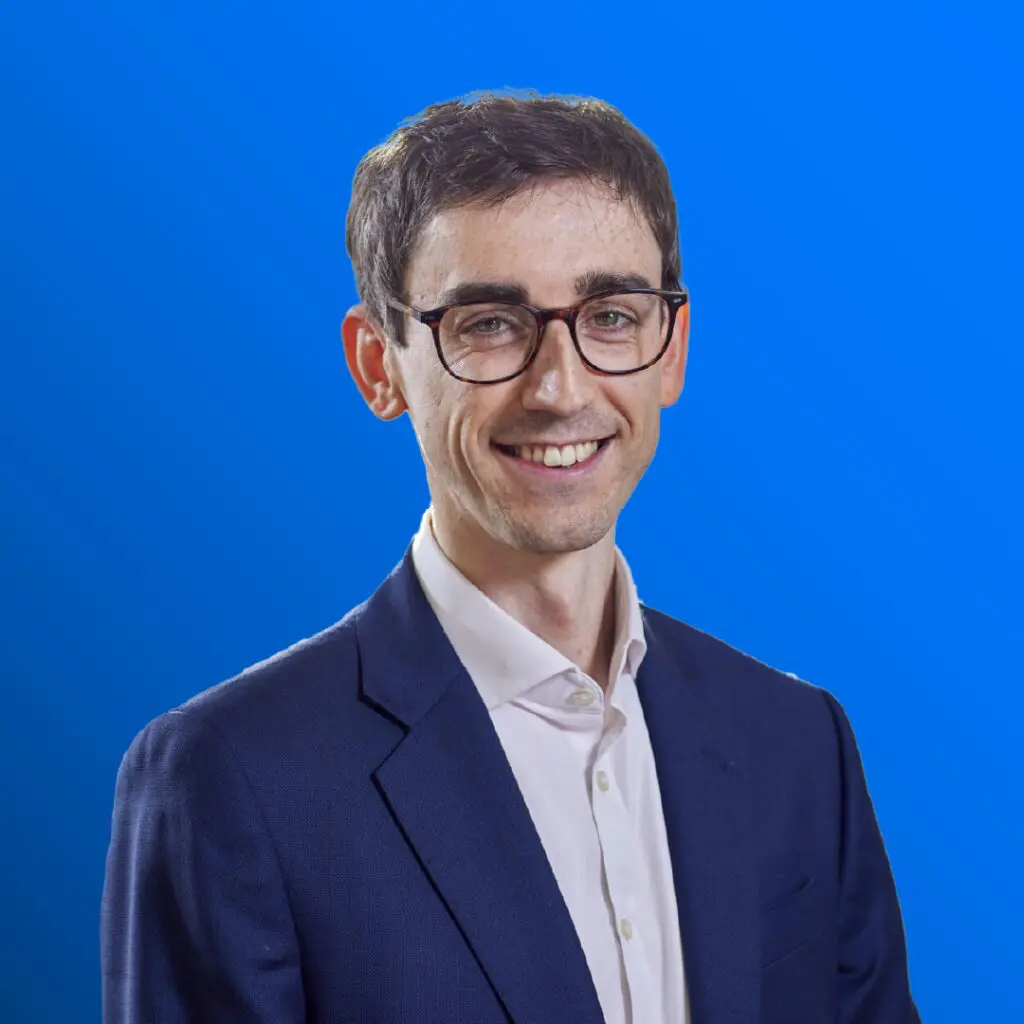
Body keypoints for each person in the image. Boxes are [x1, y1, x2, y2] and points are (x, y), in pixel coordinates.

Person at [100, 90, 920, 1024]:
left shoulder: (799, 746)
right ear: (378, 366)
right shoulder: (233, 781)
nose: (560, 388)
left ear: (672, 349)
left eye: (611, 315)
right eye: (489, 323)